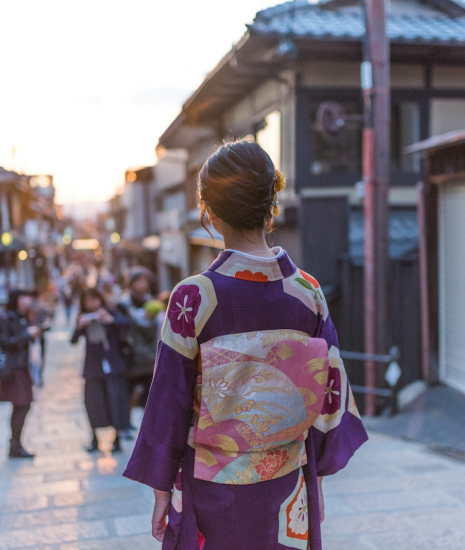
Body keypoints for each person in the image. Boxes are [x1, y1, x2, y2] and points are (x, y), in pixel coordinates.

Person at [123, 140, 368, 550]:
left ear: (210, 213)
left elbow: (169, 399)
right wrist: (317, 479)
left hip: (212, 489)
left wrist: (162, 488)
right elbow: (330, 395)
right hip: (288, 484)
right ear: (270, 205)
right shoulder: (308, 293)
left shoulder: (194, 297)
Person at [71, 288, 134, 452]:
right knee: (93, 403)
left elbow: (126, 324)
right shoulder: (82, 317)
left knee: (115, 402)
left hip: (113, 365)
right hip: (93, 367)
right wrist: (80, 326)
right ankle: (94, 438)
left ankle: (117, 439)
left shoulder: (111, 312)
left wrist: (110, 320)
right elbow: (73, 340)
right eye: (88, 300)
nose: (92, 304)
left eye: (94, 299)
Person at [0, 289, 40, 459]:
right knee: (21, 405)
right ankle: (15, 445)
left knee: (24, 405)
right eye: (23, 297)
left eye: (27, 296)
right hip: (14, 369)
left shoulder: (25, 317)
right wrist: (26, 334)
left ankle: (16, 444)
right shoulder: (8, 318)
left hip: (24, 367)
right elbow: (4, 341)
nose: (26, 300)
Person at [30, 290, 52, 388]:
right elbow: (50, 317)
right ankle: (38, 378)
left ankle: (35, 378)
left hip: (34, 335)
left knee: (34, 359)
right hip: (37, 335)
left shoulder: (32, 306)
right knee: (40, 358)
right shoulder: (42, 306)